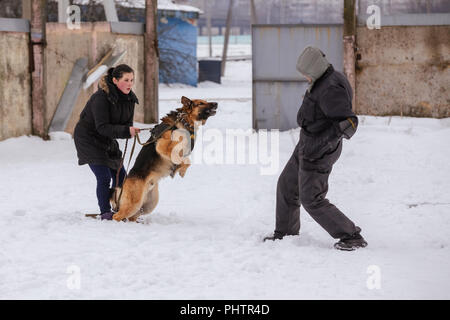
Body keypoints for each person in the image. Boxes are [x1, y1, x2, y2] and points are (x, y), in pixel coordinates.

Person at [263, 46, 368, 251]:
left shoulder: (330, 88)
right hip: (306, 144)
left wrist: (322, 144)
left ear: (316, 68)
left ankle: (351, 235)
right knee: (287, 186)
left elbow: (348, 123)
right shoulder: (323, 79)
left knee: (312, 199)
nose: (304, 77)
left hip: (317, 152)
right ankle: (285, 233)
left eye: (306, 74)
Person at [74, 64, 141, 220]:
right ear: (115, 80)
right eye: (126, 80)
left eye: (132, 80)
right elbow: (102, 127)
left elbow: (125, 126)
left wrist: (129, 131)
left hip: (107, 140)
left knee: (121, 177)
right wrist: (125, 131)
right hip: (88, 139)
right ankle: (105, 212)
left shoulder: (130, 99)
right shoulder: (101, 98)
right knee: (104, 177)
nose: (130, 83)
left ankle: (121, 208)